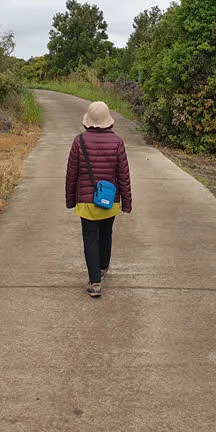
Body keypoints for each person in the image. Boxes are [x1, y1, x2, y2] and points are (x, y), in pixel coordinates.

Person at [64, 101, 132, 298]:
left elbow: (72, 175)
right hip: (110, 200)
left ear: (88, 121)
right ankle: (103, 267)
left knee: (90, 239)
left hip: (86, 201)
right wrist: (126, 202)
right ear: (108, 121)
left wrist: (70, 200)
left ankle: (95, 282)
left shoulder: (79, 142)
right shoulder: (117, 142)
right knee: (106, 234)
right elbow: (123, 176)